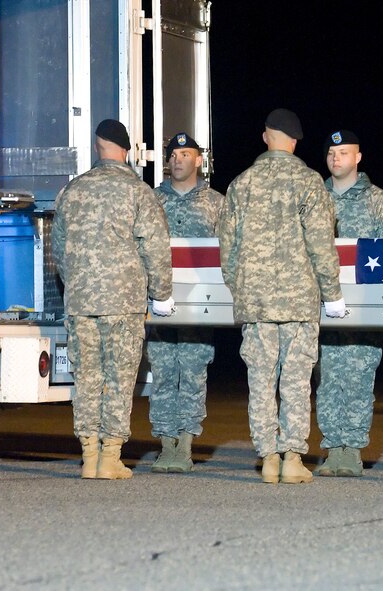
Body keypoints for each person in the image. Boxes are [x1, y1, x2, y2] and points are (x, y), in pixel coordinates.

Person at [218, 108, 345, 484]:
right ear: (294, 141)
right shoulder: (308, 183)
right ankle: (292, 457)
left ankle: (267, 458)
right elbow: (321, 244)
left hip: (255, 302)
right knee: (295, 381)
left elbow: (227, 248)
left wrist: (240, 287)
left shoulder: (242, 184)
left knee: (260, 381)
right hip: (299, 302)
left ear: (265, 137)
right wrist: (332, 294)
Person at [51, 119, 174, 480]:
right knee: (120, 379)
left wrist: (76, 284)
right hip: (124, 303)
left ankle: (89, 457)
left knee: (87, 378)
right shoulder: (137, 191)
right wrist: (162, 294)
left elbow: (59, 251)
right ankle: (111, 457)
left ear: (96, 147)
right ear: (126, 150)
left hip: (82, 301)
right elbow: (155, 249)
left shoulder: (72, 191)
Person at [315, 129, 383, 477]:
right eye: (332, 153)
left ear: (358, 157)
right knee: (328, 377)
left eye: (344, 153)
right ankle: (333, 448)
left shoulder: (377, 201)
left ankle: (353, 449)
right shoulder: (314, 197)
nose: (337, 159)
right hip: (323, 303)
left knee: (359, 378)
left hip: (363, 306)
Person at [147, 132, 224, 473]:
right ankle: (166, 444)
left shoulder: (217, 203)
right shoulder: (150, 201)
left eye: (185, 153)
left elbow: (229, 251)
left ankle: (186, 444)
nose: (177, 159)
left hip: (199, 305)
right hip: (159, 303)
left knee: (192, 374)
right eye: (173, 154)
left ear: (199, 160)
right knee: (163, 374)